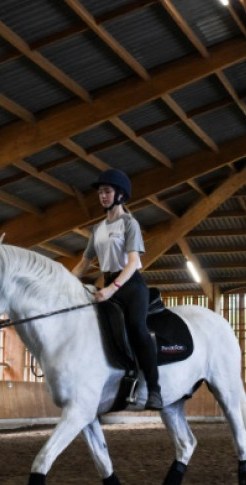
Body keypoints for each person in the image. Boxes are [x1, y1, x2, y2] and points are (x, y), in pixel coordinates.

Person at [72, 169, 162, 411]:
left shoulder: (129, 223)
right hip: (109, 282)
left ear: (120, 194)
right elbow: (83, 263)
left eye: (107, 191)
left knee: (136, 328)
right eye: (100, 192)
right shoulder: (97, 229)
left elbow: (133, 262)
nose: (102, 196)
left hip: (130, 285)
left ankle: (154, 389)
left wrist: (112, 289)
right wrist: (64, 283)